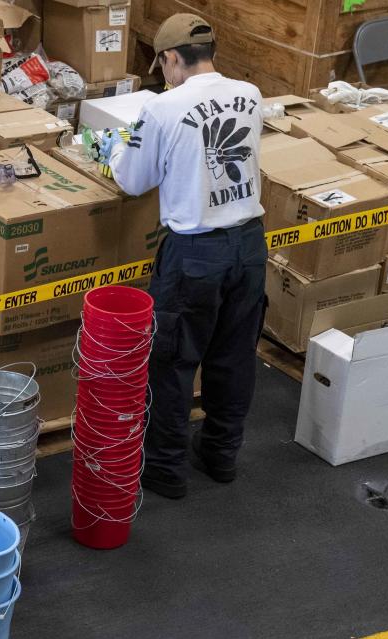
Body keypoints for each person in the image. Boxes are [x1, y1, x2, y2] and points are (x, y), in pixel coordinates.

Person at [104, 13, 267, 499]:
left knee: (172, 363)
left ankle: (166, 472)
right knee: (233, 357)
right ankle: (220, 455)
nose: (163, 74)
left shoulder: (161, 108)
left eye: (163, 65)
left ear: (172, 58)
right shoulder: (252, 94)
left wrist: (116, 147)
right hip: (250, 246)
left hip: (195, 253)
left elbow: (131, 180)